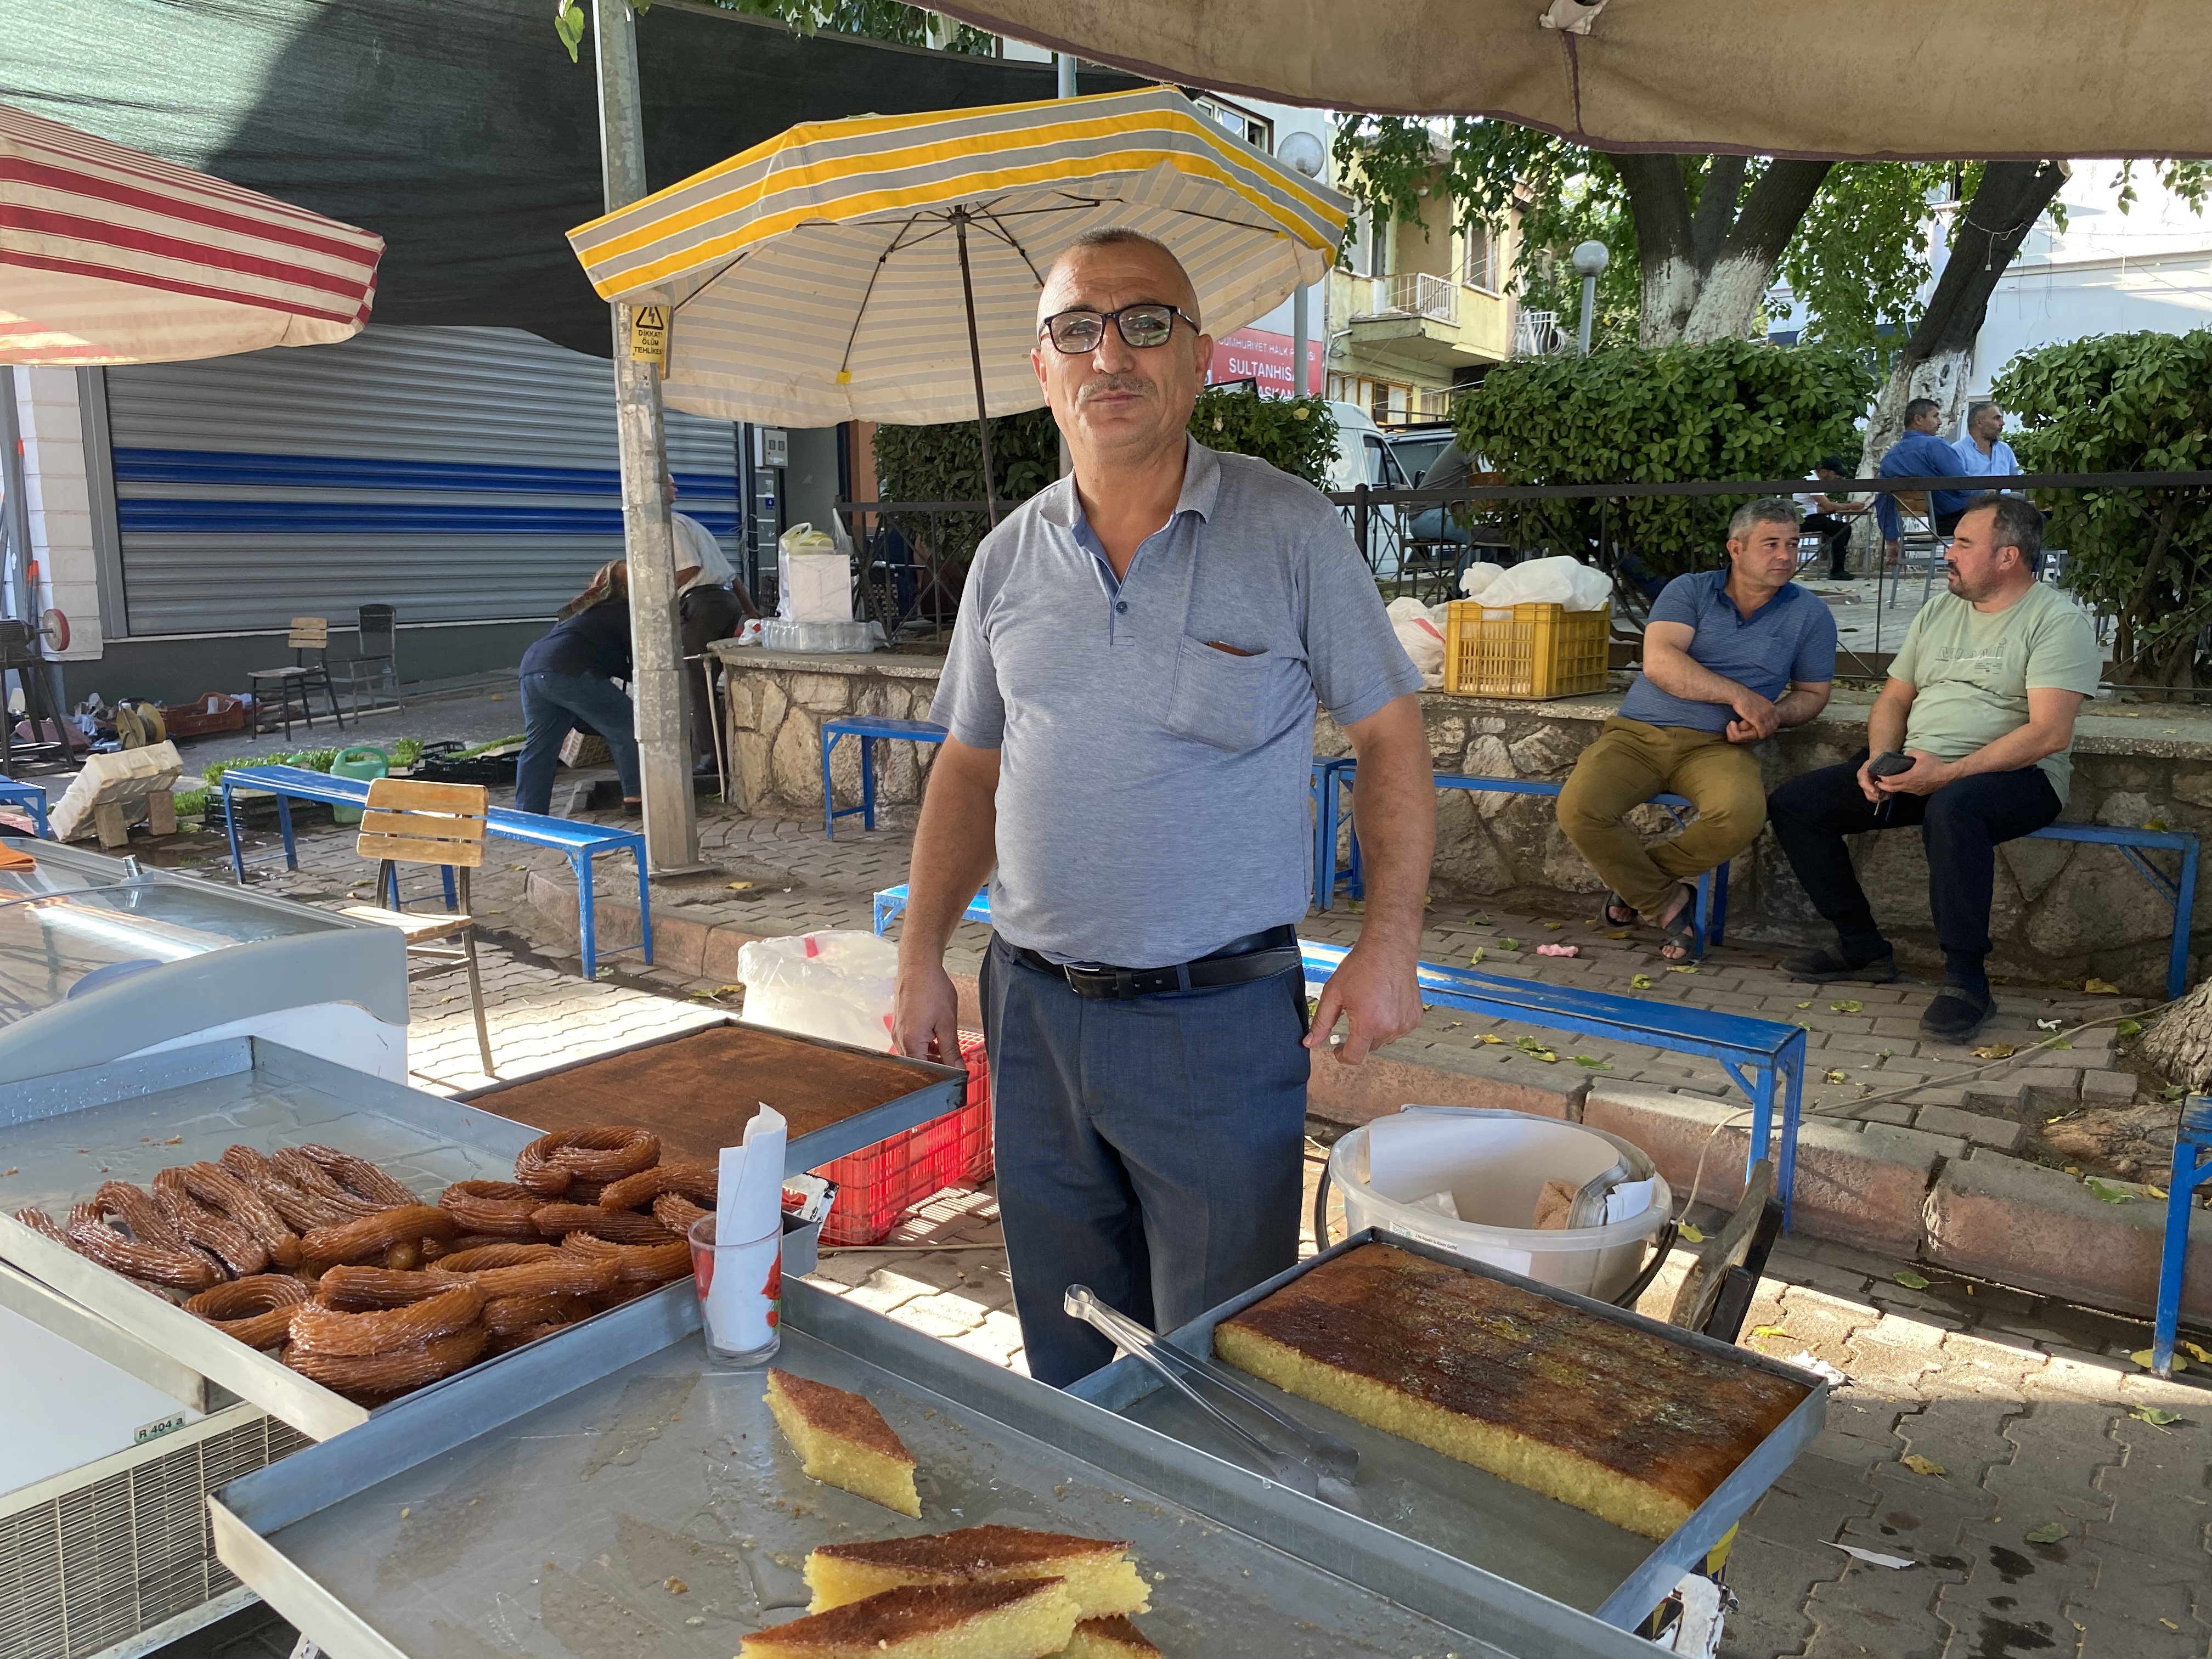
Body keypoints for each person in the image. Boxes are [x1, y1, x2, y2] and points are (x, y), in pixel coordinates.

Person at [891, 225, 1435, 1386]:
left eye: (1147, 324)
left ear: (1197, 361)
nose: (1111, 355)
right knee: (1070, 1338)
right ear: (1043, 370)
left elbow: (1390, 733)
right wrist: (919, 955)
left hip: (1217, 1023)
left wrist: (1390, 946)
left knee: (1218, 1353)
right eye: (1076, 329)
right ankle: (1098, 1544)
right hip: (1034, 1015)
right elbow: (970, 770)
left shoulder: (1290, 533)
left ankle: (1209, 1557)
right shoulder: (1002, 561)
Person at [1766, 494, 2100, 1039]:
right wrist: (1879, 759)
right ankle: (1862, 948)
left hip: (2018, 778)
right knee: (1797, 804)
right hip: (1920, 765)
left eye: (1965, 544)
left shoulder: (2057, 621)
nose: (1949, 552)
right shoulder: (1940, 610)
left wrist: (1948, 773)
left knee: (1954, 807)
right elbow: (1895, 700)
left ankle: (1968, 979)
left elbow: (2048, 733)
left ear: (2008, 557)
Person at [1558, 498, 1836, 961]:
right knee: (1580, 809)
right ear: (1736, 548)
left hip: (1718, 747)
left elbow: (1812, 694)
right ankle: (1669, 903)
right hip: (1637, 735)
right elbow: (1662, 663)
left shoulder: (1810, 615)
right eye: (1771, 544)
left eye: (1793, 544)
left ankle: (1637, 888)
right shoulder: (1690, 591)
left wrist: (1772, 717)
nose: (1786, 556)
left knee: (1741, 815)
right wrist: (1739, 695)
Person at [514, 560, 652, 816]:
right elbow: (639, 662)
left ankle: (528, 813)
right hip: (568, 671)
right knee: (630, 726)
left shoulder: (582, 610)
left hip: (532, 668)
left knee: (540, 747)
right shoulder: (624, 611)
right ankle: (636, 797)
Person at [669, 475, 759, 774]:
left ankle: (710, 758)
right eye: (671, 484)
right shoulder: (693, 524)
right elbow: (732, 578)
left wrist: (656, 596)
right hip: (724, 603)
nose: (676, 489)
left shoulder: (669, 525)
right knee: (710, 680)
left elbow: (689, 567)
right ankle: (720, 751)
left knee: (698, 680)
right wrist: (752, 613)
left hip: (702, 603)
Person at [1876, 397, 1973, 567]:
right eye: (1935, 416)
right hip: (1962, 519)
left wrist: (1892, 540)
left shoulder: (1889, 459)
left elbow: (1883, 502)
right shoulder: (1935, 446)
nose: (1940, 422)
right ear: (1919, 420)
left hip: (1933, 524)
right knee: (2014, 504)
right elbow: (1964, 486)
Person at [1799, 456, 1870, 580]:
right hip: (1805, 519)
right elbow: (1827, 506)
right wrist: (1851, 506)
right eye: (1834, 474)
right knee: (1842, 529)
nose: (1836, 478)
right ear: (1824, 472)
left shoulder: (1811, 479)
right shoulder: (1813, 482)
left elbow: (1821, 508)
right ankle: (1837, 570)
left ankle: (1836, 566)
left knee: (1837, 527)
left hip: (1809, 516)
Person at [1954, 401, 2021, 481]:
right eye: (1997, 418)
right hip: (1976, 494)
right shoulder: (1958, 451)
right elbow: (1958, 487)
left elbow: (2019, 481)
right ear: (1979, 423)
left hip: (2006, 494)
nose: (2002, 423)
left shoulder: (2004, 449)